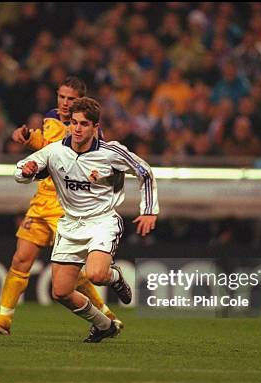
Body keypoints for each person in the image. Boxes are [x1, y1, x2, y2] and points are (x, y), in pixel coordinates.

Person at [15, 97, 158, 342]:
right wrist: (25, 172)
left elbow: (143, 171)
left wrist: (149, 210)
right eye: (73, 123)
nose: (77, 128)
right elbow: (22, 169)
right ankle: (104, 325)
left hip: (102, 221)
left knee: (96, 275)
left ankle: (114, 276)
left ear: (95, 127)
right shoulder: (55, 151)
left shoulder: (110, 152)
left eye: (83, 124)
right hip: (70, 224)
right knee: (60, 292)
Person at [0, 77, 120, 335]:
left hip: (67, 205)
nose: (64, 103)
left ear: (81, 102)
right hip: (42, 200)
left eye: (71, 99)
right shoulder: (50, 118)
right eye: (61, 97)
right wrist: (29, 137)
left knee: (73, 273)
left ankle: (106, 315)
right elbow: (46, 149)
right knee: (20, 258)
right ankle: (3, 321)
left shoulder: (86, 130)